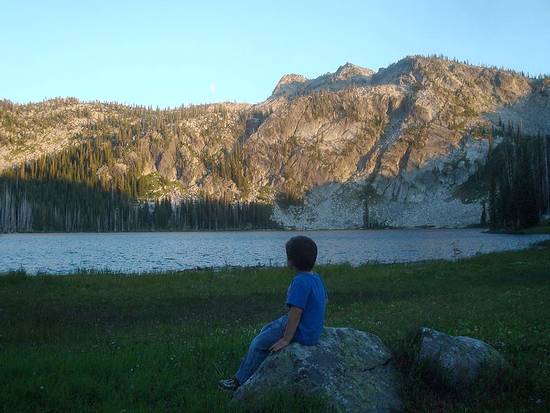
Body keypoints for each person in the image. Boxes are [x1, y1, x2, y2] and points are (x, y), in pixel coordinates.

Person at [218, 235, 327, 391]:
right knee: (266, 330)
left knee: (258, 343)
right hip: (313, 330)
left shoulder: (299, 281)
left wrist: (286, 339)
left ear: (291, 260)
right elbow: (324, 302)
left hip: (302, 331)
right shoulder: (316, 278)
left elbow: (295, 313)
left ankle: (239, 381)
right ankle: (255, 366)